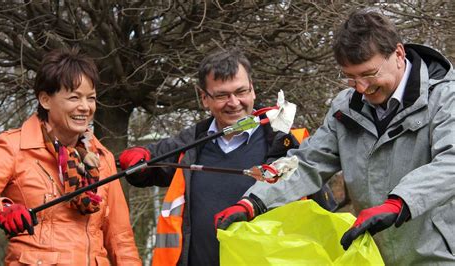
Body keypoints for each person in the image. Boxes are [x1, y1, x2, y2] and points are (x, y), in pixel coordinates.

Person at [215, 9, 455, 265]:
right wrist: (255, 201)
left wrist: (399, 203)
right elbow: (308, 162)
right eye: (350, 77)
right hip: (371, 256)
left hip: (437, 256)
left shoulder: (445, 98)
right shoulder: (345, 108)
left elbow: (450, 163)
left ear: (398, 54)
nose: (361, 88)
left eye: (368, 74)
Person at [119, 48, 337, 266]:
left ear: (253, 90)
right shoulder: (192, 143)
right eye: (222, 95)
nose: (234, 103)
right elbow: (148, 167)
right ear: (204, 98)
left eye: (241, 91)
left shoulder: (287, 144)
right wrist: (137, 158)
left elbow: (326, 218)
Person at [0, 48, 142, 265]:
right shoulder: (13, 147)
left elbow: (120, 238)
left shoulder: (101, 158)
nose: (85, 107)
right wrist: (0, 210)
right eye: (74, 97)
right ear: (46, 100)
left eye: (91, 98)